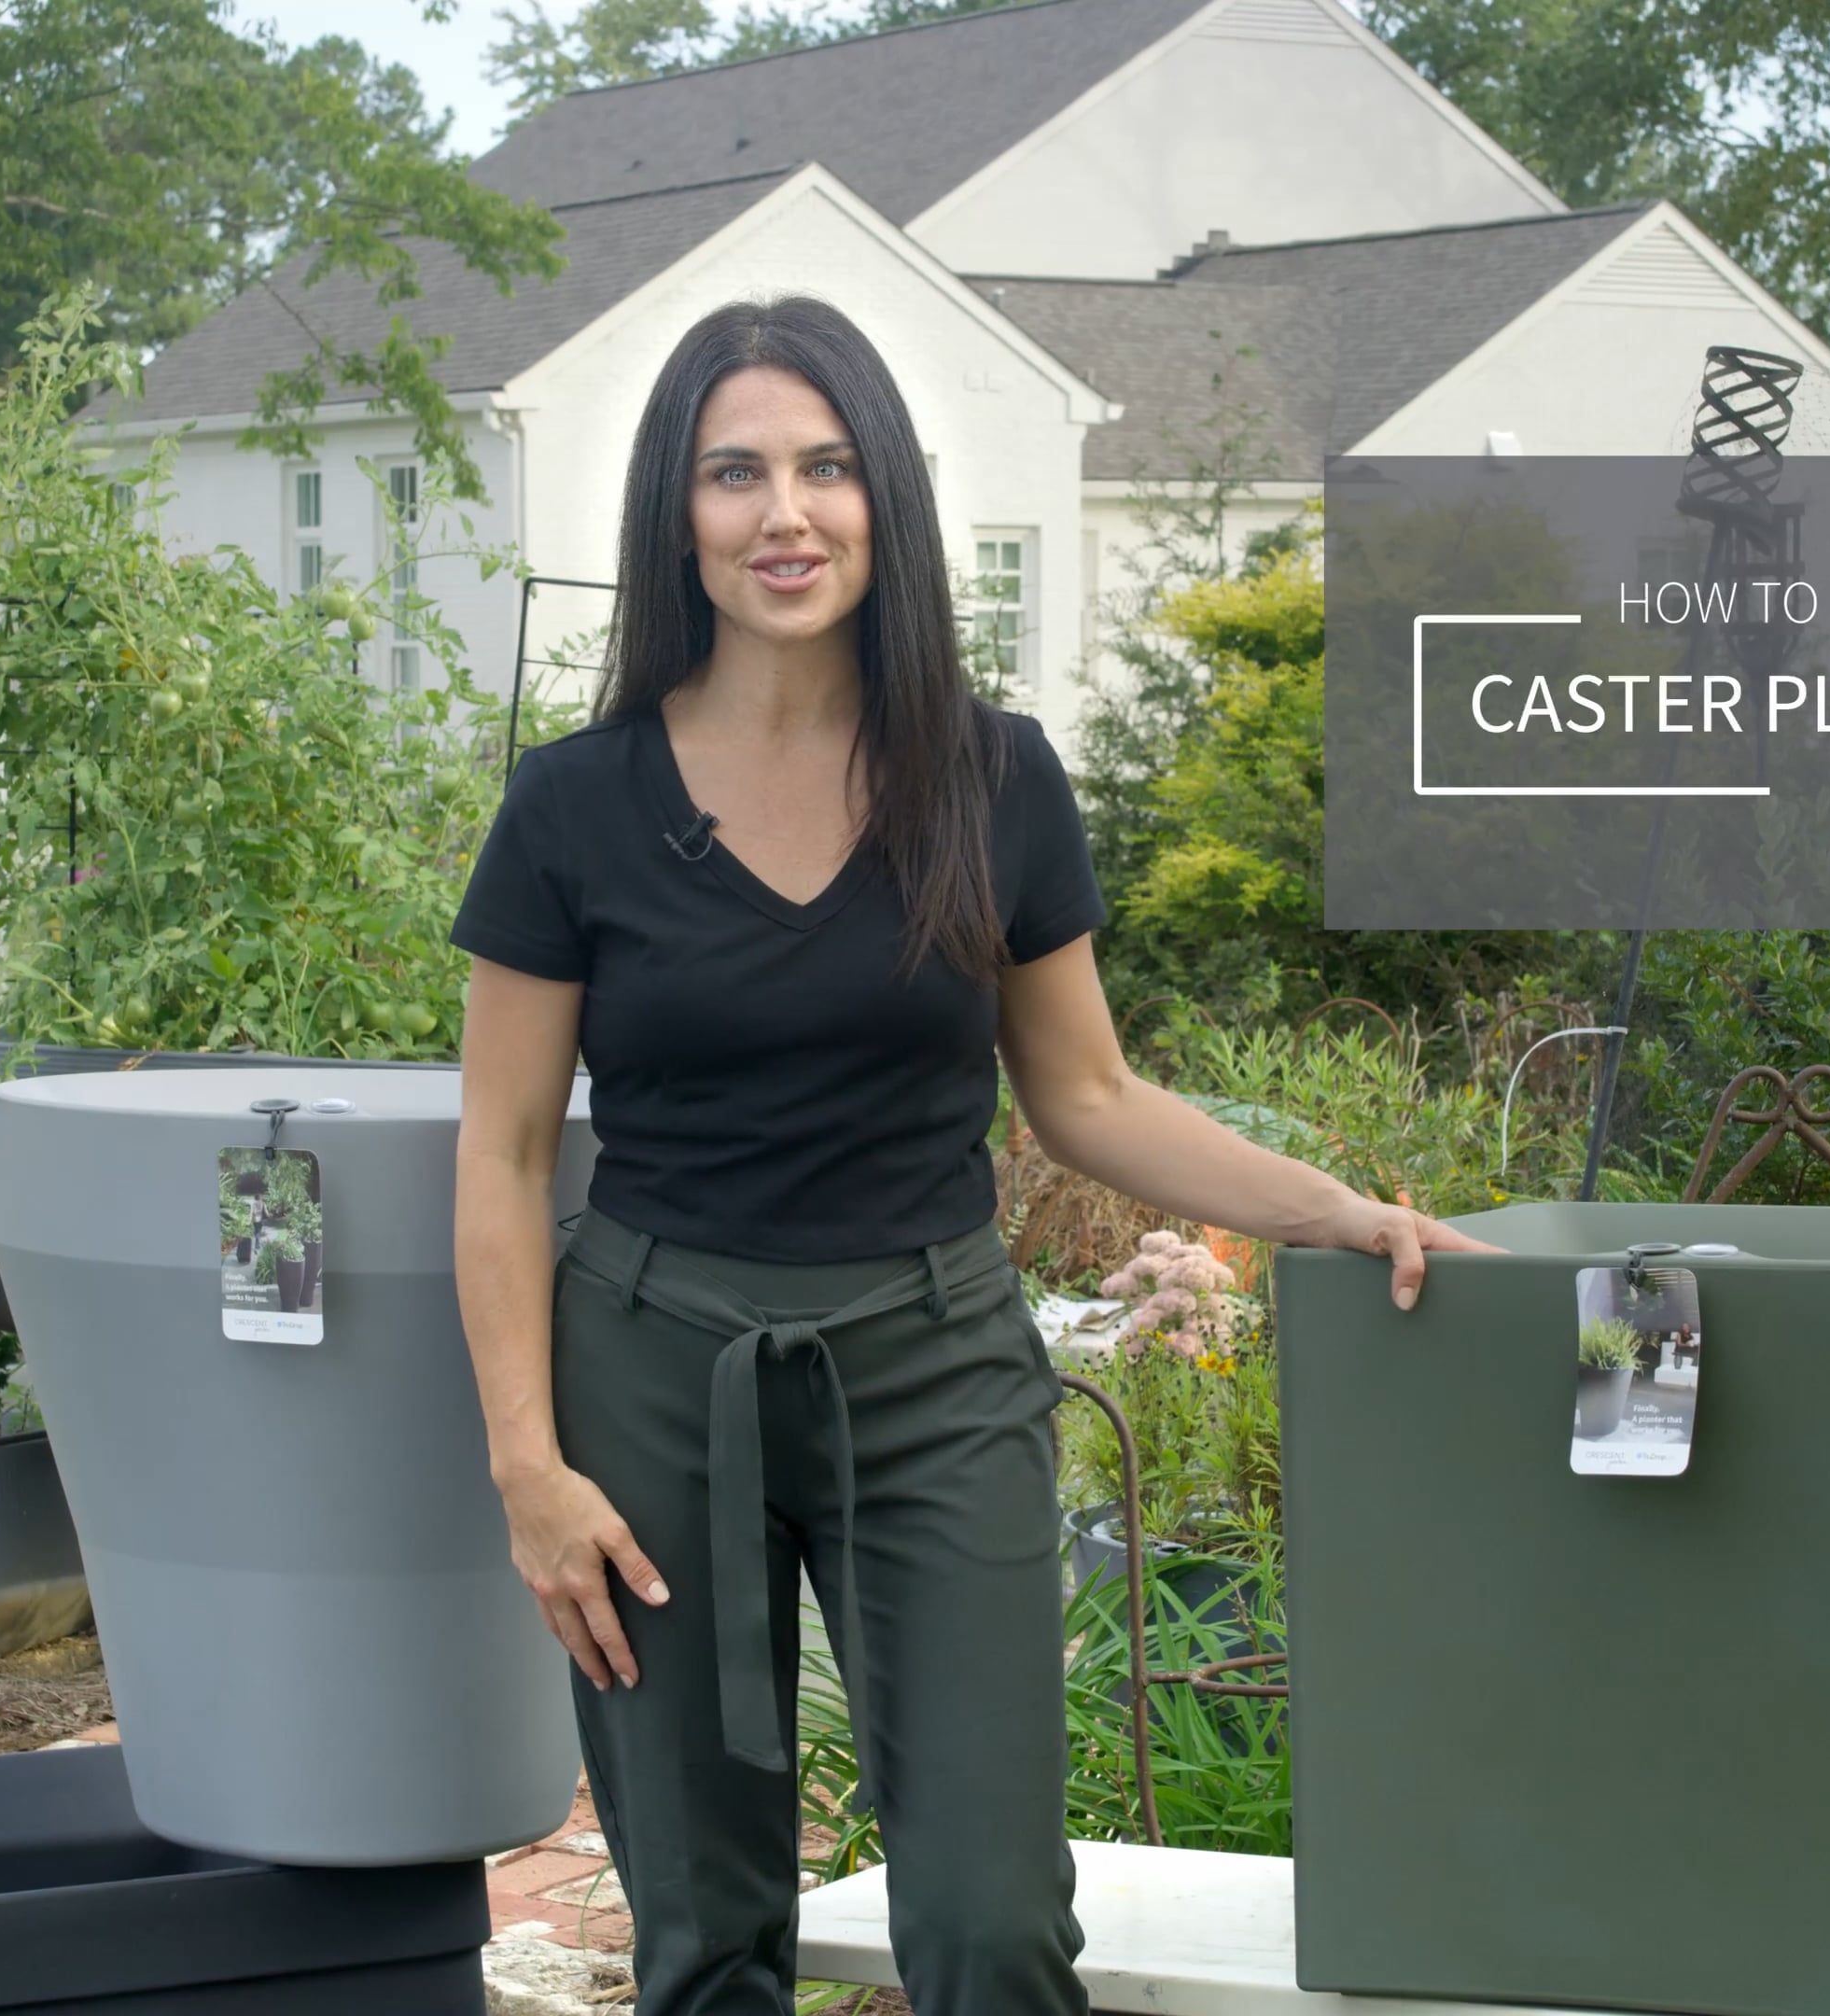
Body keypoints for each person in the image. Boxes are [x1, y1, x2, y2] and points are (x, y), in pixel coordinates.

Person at [448, 293, 1484, 2015]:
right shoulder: (573, 805)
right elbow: (498, 1155)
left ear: (884, 502)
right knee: (702, 1939)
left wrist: (1341, 1211)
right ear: (675, 510)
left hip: (931, 1369)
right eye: (737, 473)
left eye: (828, 466)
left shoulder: (989, 778)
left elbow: (1087, 1097)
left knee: (993, 1920)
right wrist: (526, 1472)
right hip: (647, 1377)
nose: (787, 513)